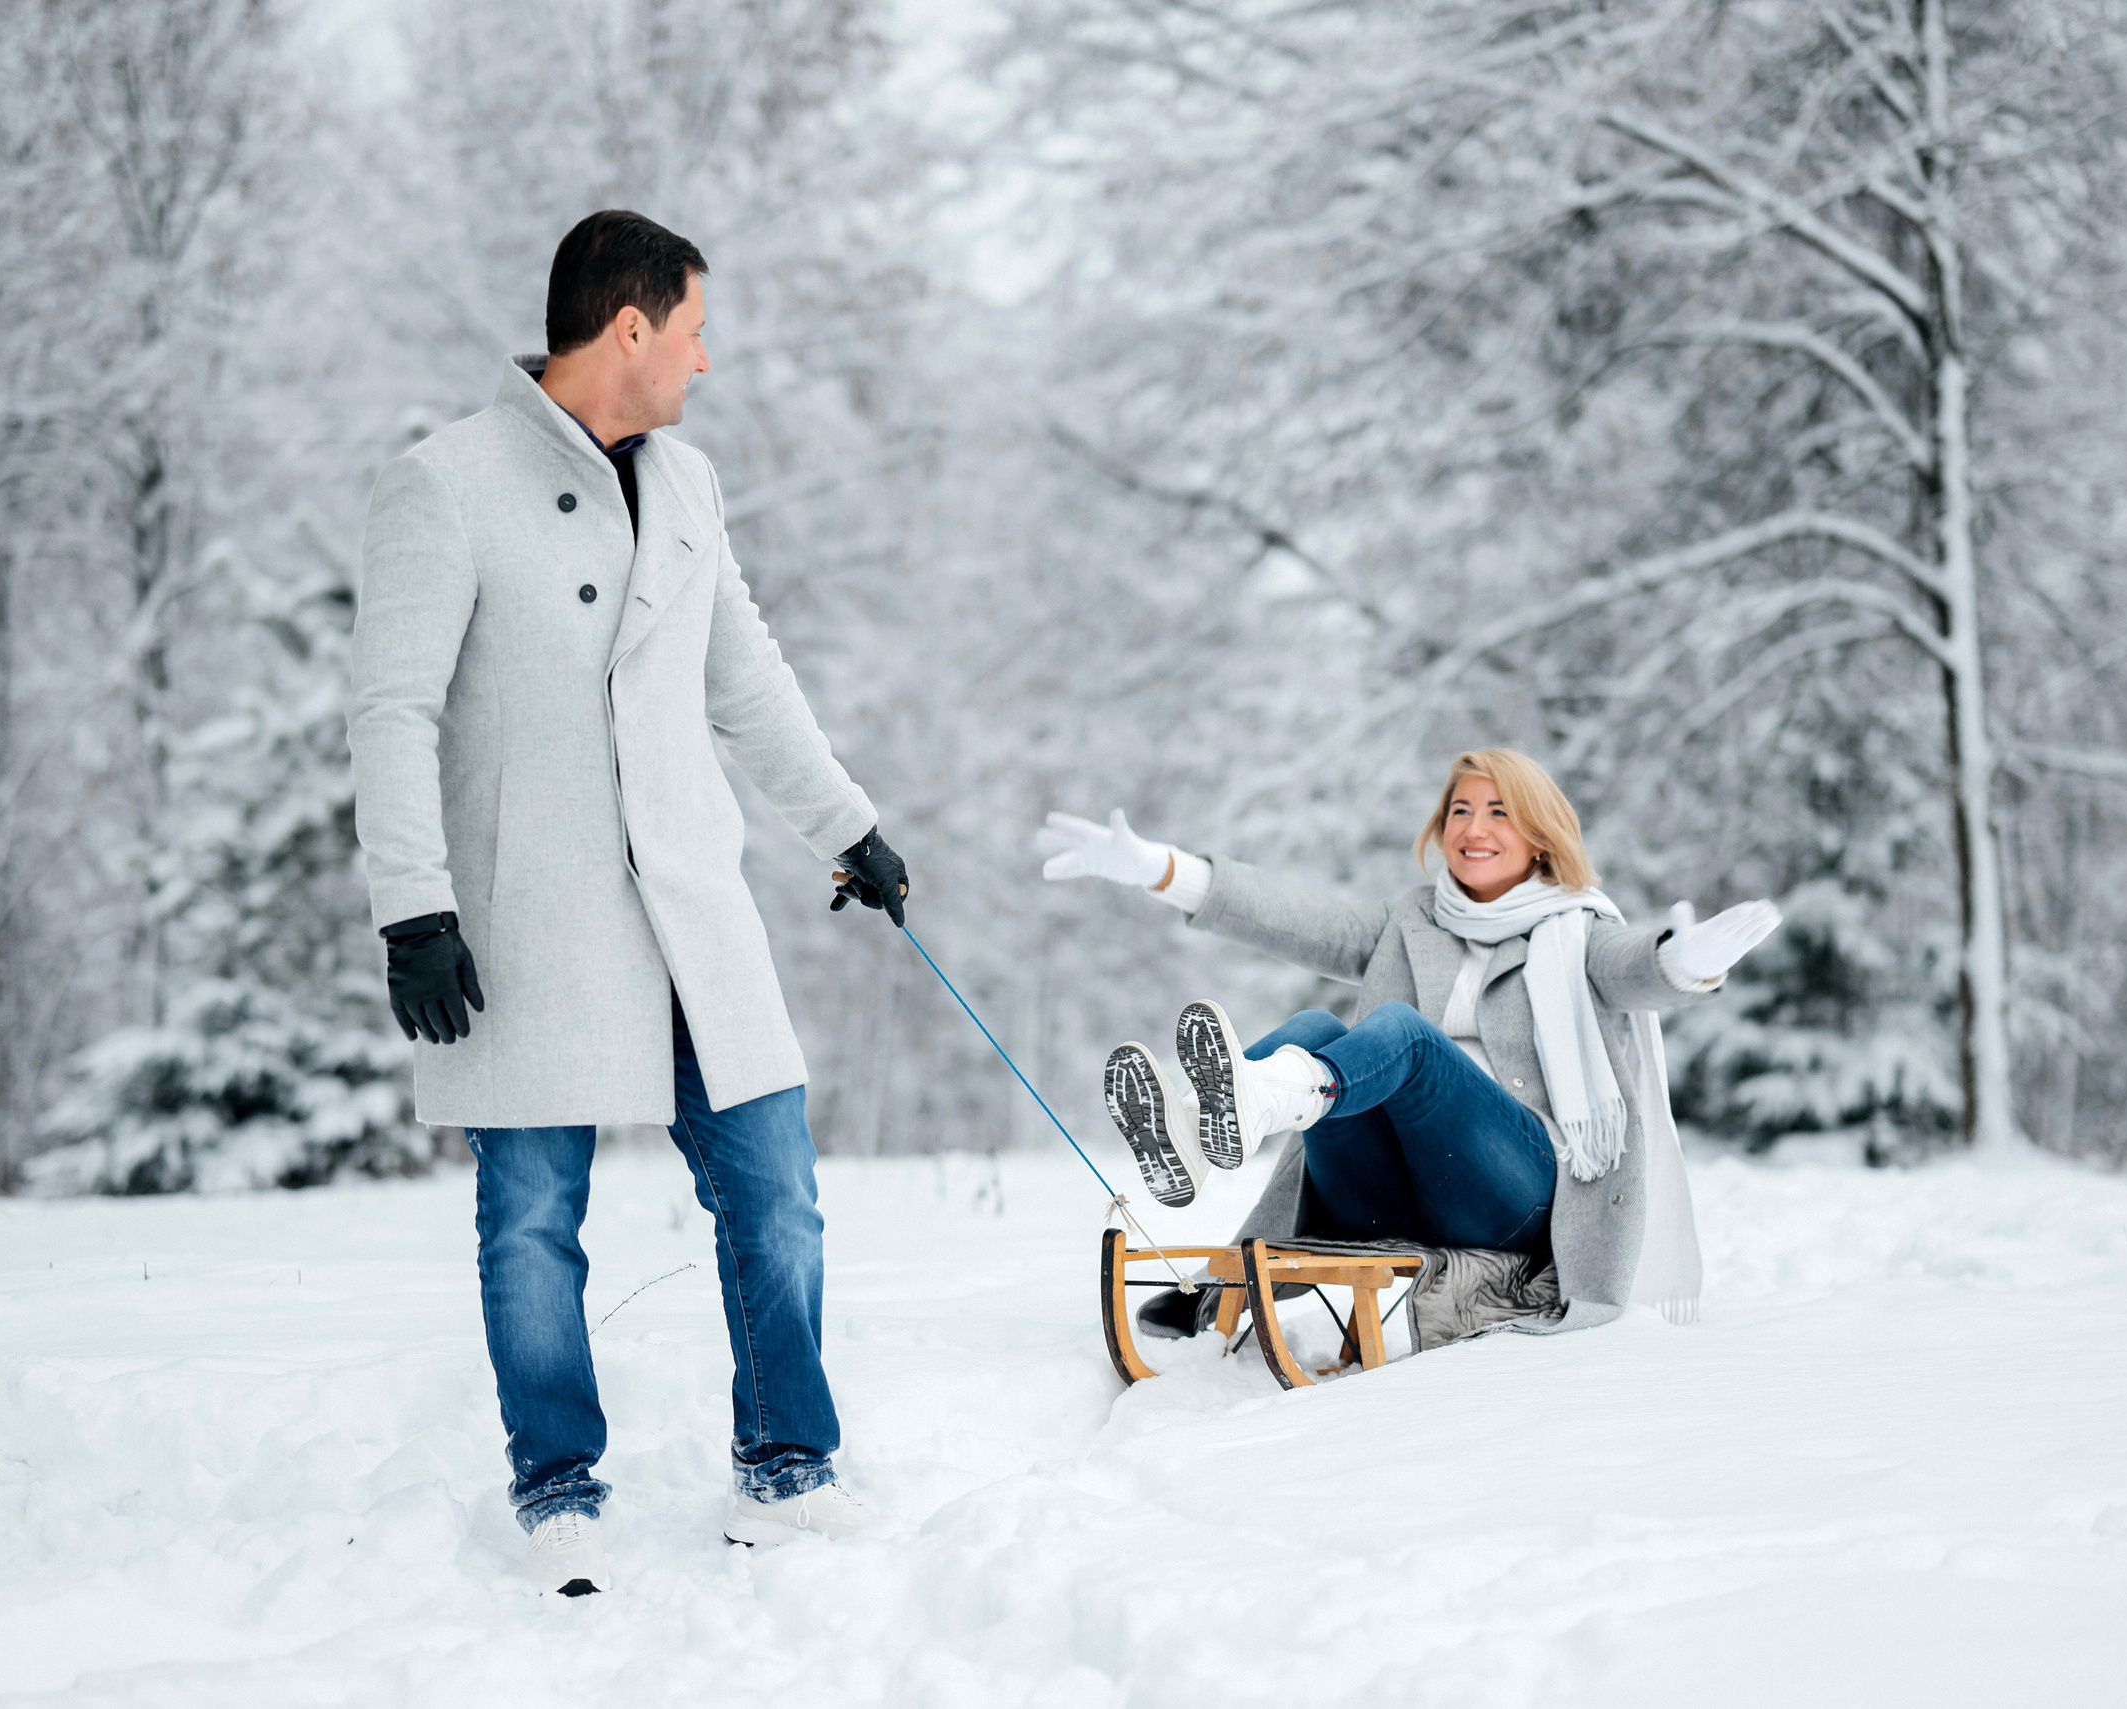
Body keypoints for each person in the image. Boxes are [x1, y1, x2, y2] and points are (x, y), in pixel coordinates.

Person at [348, 211, 909, 1595]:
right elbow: (391, 706)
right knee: (534, 1216)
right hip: (526, 915)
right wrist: (413, 908)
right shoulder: (446, 482)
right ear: (632, 325)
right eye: (699, 330)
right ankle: (557, 1489)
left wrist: (848, 823)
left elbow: (745, 673)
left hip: (691, 908)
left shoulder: (690, 483)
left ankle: (785, 1465)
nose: (709, 361)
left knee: (777, 1192)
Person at [1037, 748, 1779, 1338]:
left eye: (1498, 812)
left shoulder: (1579, 931)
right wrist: (1165, 870)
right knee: (1317, 1029)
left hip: (1512, 1196)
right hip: (1388, 1195)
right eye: (1459, 809)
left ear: (1539, 834)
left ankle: (1251, 1104)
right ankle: (1199, 1131)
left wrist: (1685, 961)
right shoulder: (1411, 920)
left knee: (1400, 1033)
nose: (1472, 827)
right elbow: (1299, 917)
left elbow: (1635, 968)